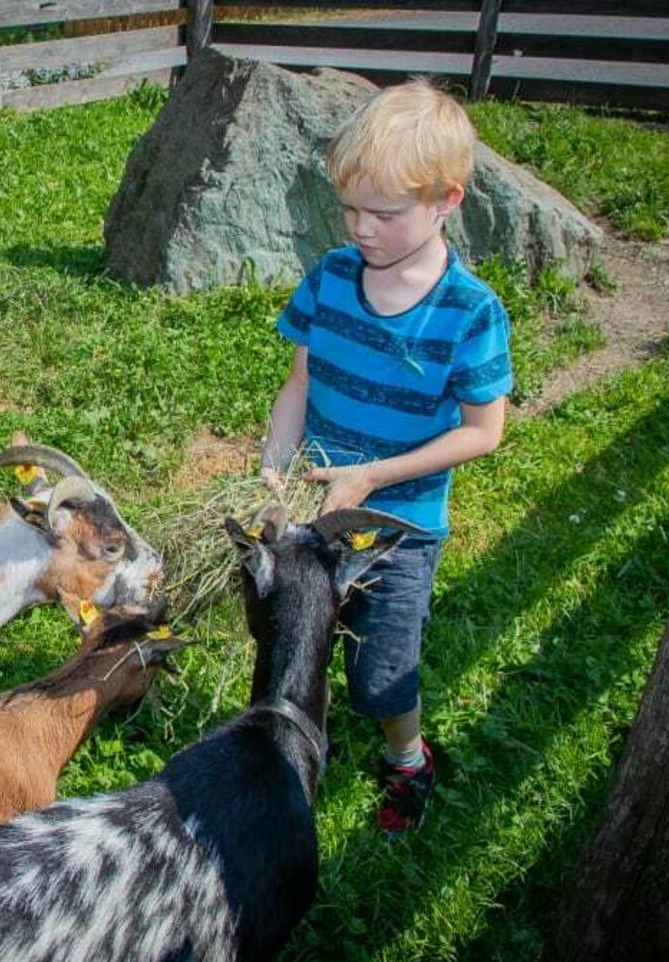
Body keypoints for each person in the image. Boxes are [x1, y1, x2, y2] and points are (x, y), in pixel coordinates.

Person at [260, 80, 512, 836]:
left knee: (380, 674)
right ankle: (304, 742)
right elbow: (298, 384)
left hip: (398, 526)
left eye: (384, 214)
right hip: (316, 510)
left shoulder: (469, 312)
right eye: (350, 209)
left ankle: (407, 758)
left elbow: (483, 431)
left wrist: (372, 476)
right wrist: (273, 468)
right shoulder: (332, 279)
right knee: (296, 642)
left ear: (446, 200)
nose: (361, 229)